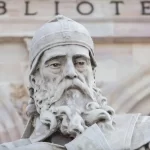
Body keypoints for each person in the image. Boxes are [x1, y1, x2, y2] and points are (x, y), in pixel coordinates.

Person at [1, 15, 150, 150]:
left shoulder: (141, 135)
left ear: (93, 75)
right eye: (55, 65)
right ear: (35, 81)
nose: (71, 72)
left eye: (80, 62)